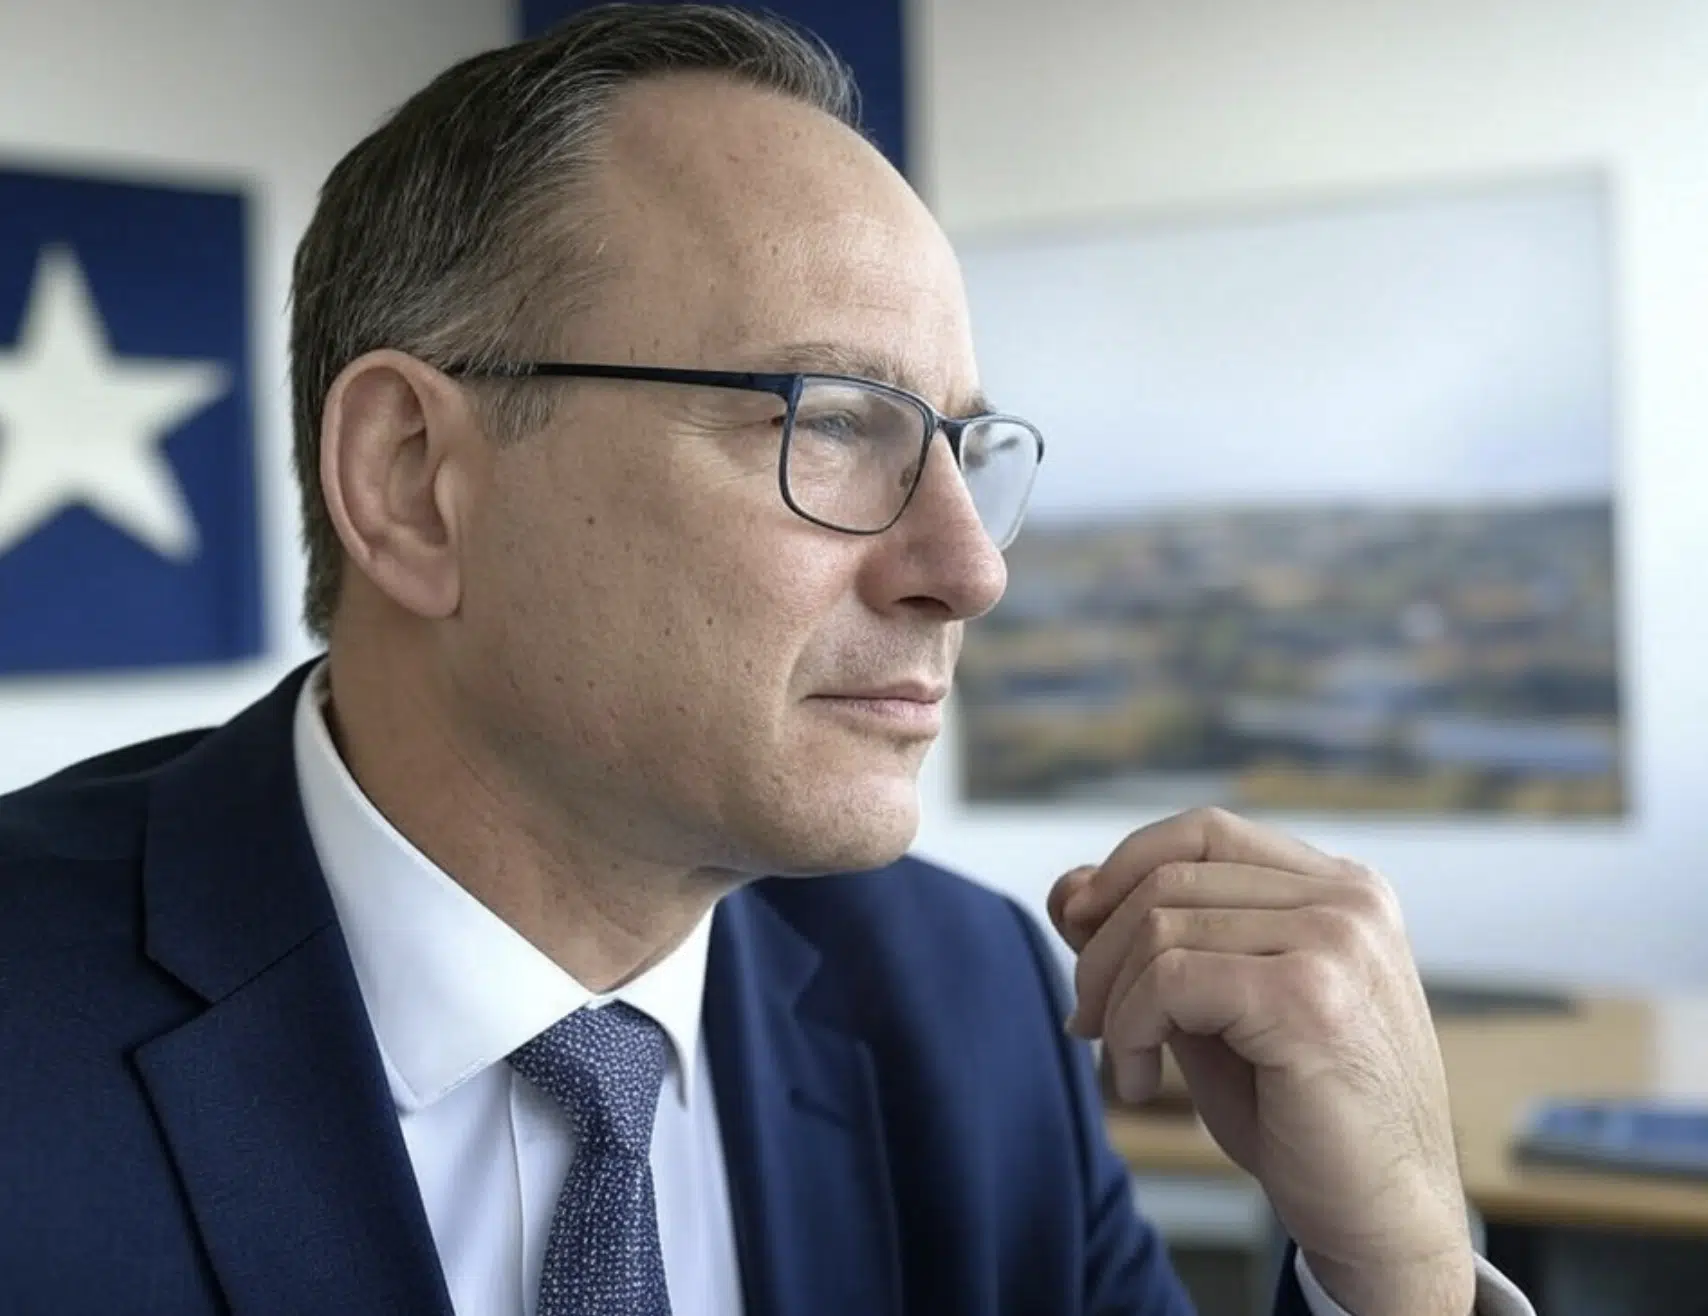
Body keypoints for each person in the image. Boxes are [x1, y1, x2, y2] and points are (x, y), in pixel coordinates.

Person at [0, 6, 1533, 1314]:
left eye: (962, 448)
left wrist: (1394, 1267)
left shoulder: (967, 1003)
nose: (971, 571)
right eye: (833, 422)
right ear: (413, 481)